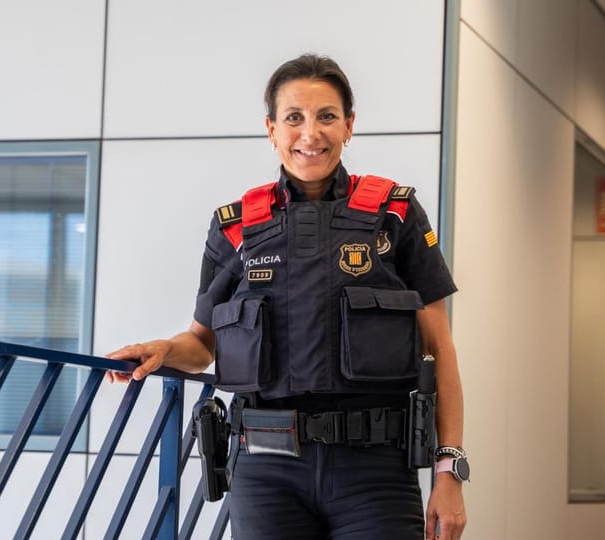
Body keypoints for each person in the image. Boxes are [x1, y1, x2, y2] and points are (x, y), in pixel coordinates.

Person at [106, 53, 467, 540]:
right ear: (272, 129)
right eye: (293, 118)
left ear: (349, 126)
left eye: (327, 117)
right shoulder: (236, 227)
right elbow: (202, 343)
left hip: (376, 473)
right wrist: (167, 350)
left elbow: (439, 348)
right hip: (267, 473)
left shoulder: (395, 213)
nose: (310, 134)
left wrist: (449, 470)